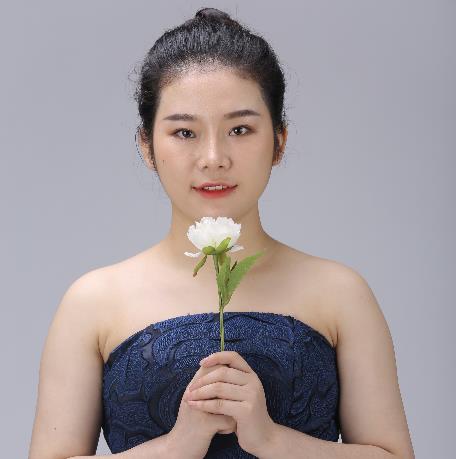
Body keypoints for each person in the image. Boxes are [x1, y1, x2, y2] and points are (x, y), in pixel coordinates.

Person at [29, 7, 415, 459]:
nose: (213, 158)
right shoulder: (93, 302)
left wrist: (272, 440)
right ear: (146, 146)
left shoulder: (341, 293)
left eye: (240, 129)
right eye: (184, 132)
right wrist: (178, 445)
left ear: (279, 141)